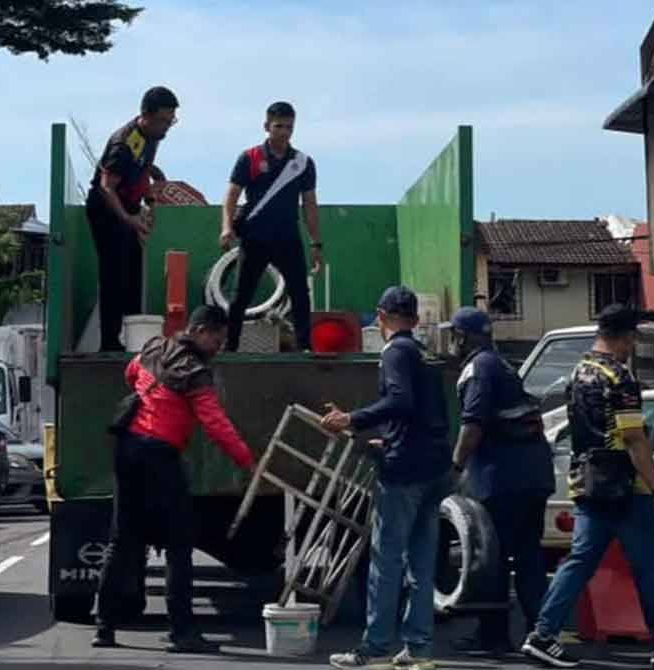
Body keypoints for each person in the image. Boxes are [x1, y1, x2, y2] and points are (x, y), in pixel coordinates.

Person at [521, 305, 654, 669]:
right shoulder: (618, 377)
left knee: (579, 562)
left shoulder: (579, 371)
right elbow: (634, 438)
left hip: (588, 483)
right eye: (632, 338)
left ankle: (543, 634)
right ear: (626, 337)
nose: (632, 345)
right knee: (649, 567)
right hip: (625, 487)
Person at [93, 305, 255, 653]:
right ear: (199, 330)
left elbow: (130, 373)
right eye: (216, 339)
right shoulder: (195, 372)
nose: (218, 348)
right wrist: (245, 459)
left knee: (122, 540)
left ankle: (104, 626)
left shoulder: (154, 347)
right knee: (179, 544)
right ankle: (182, 633)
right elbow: (215, 423)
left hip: (127, 448)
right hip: (159, 455)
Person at [321, 286, 452, 670]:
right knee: (421, 564)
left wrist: (352, 419)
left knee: (387, 560)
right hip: (434, 467)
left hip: (404, 470)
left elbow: (399, 400)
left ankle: (375, 646)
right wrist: (392, 435)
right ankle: (418, 647)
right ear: (415, 318)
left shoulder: (395, 352)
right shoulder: (426, 354)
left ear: (381, 317)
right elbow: (425, 411)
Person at [443, 307, 555, 656]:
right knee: (528, 557)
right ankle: (542, 633)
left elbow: (473, 425)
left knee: (492, 557)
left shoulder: (478, 369)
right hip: (533, 476)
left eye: (454, 336)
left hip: (502, 480)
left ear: (462, 337)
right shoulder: (501, 364)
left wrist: (455, 467)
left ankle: (493, 637)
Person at [220, 101, 322, 352]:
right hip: (254, 237)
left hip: (287, 237)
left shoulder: (303, 162)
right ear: (266, 126)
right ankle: (230, 347)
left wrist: (315, 243)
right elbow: (231, 196)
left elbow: (309, 204)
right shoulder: (249, 158)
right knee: (241, 295)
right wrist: (226, 227)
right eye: (279, 126)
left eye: (289, 127)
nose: (284, 132)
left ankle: (304, 347)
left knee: (300, 293)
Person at [87, 86, 178, 351]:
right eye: (163, 120)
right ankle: (109, 343)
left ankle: (134, 338)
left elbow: (144, 170)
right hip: (106, 208)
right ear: (146, 115)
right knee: (114, 274)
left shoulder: (153, 137)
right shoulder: (124, 143)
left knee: (134, 273)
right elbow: (107, 187)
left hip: (129, 206)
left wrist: (150, 203)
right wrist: (129, 220)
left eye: (171, 121)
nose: (167, 127)